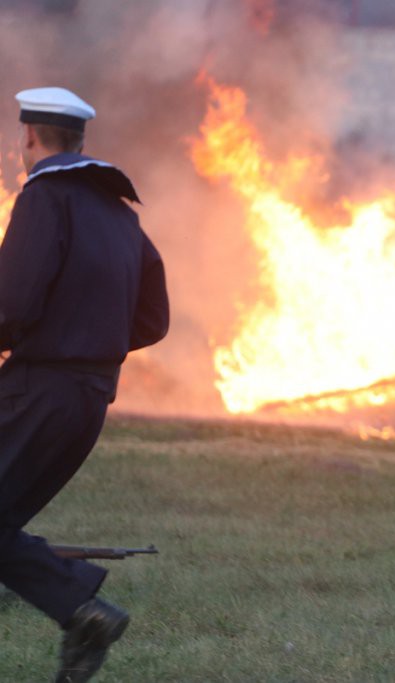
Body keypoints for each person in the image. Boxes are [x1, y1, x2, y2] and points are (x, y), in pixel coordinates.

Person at [0, 87, 169, 682]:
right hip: (90, 399)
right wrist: (94, 347)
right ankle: (82, 614)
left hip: (36, 392)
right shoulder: (121, 214)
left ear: (28, 137)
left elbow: (11, 303)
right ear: (80, 139)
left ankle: (81, 607)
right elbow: (152, 320)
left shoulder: (44, 197)